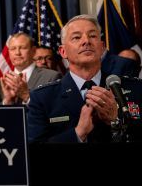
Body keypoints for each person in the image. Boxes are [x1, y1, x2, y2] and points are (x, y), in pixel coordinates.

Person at [28, 14, 142, 143]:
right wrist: (78, 133)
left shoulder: (135, 89)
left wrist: (116, 120)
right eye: (76, 37)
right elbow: (33, 153)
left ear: (102, 47)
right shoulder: (43, 98)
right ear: (63, 51)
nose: (86, 41)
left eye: (92, 36)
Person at [0, 32, 62, 105]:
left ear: (33, 51)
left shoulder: (51, 77)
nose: (17, 53)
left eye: (22, 48)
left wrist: (27, 96)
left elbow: (56, 111)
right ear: (9, 52)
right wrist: (7, 102)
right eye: (13, 49)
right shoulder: (1, 83)